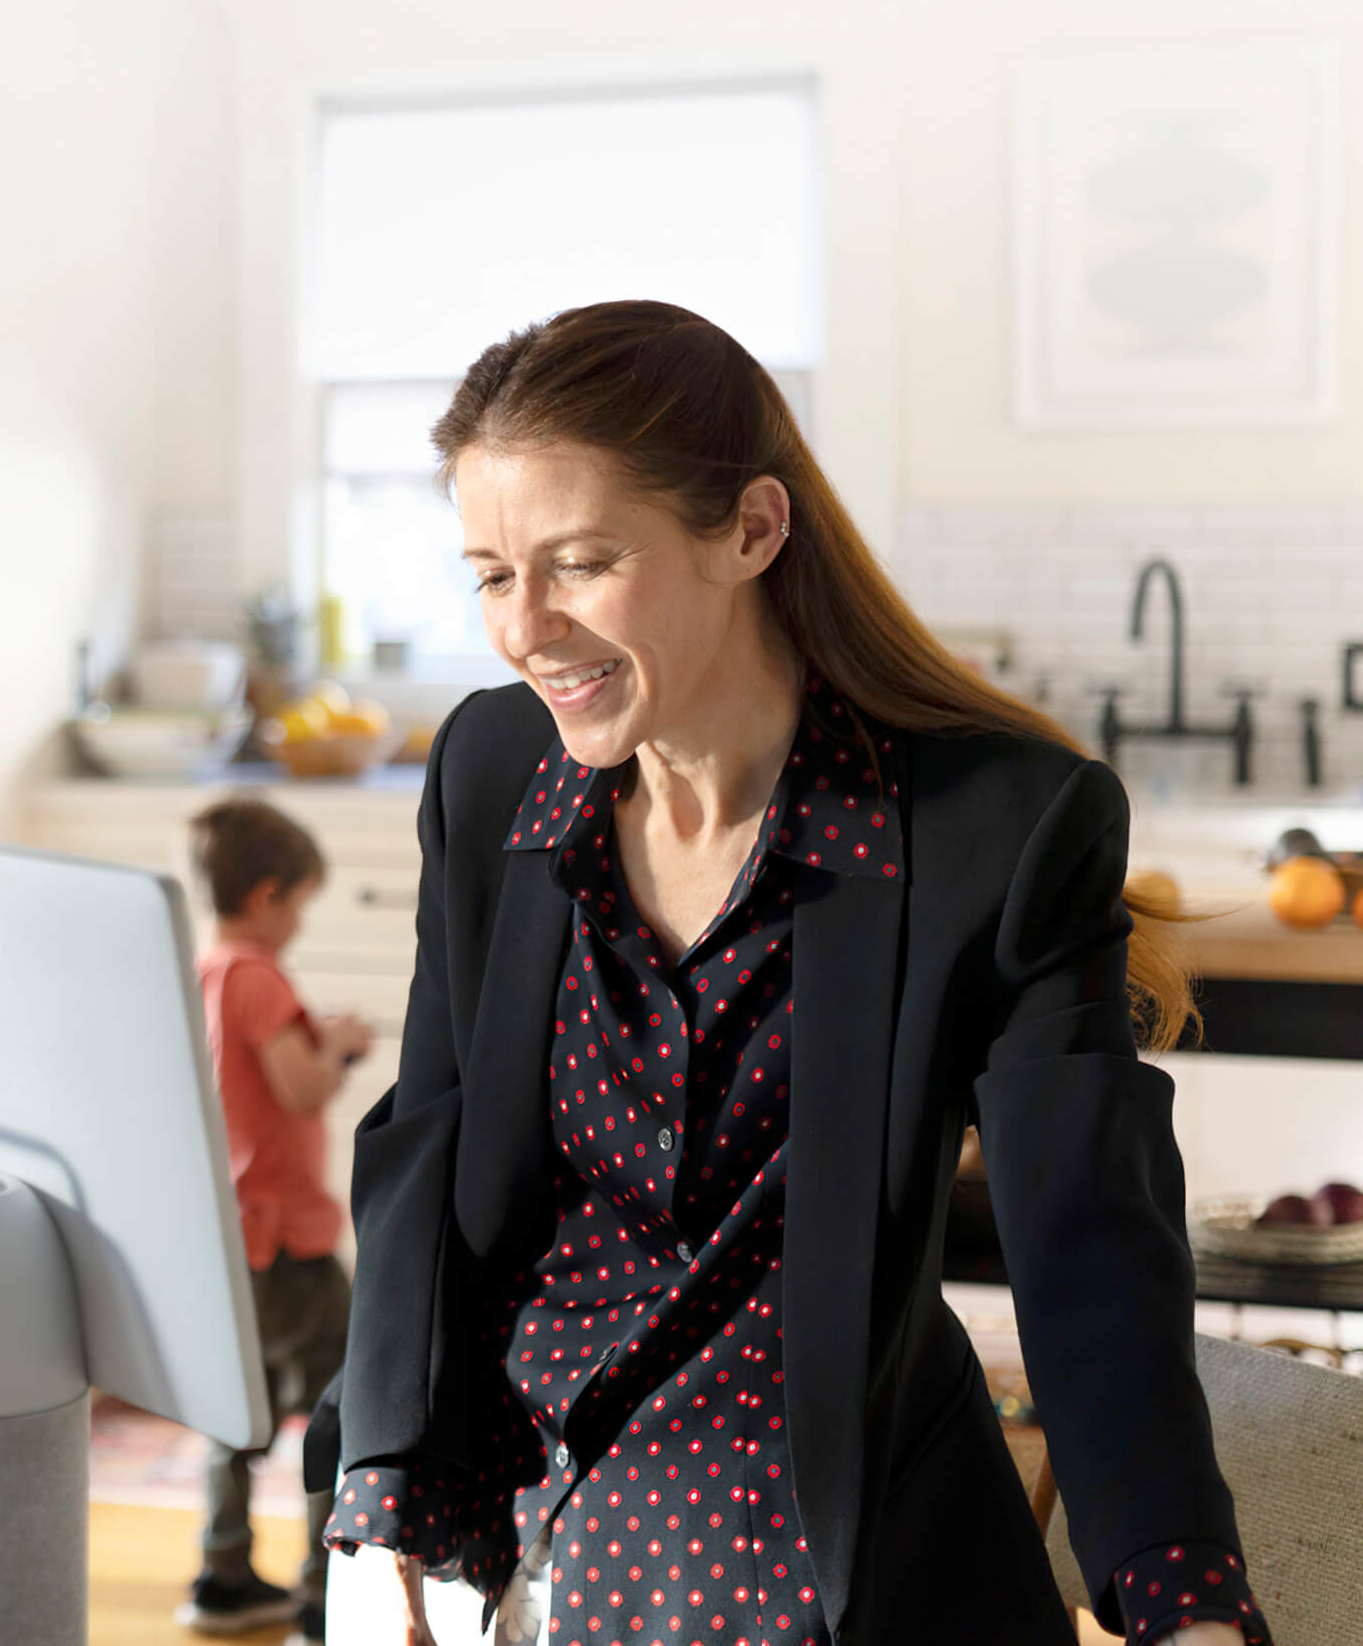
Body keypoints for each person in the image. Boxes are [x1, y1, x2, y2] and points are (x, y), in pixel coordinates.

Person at [305, 300, 1268, 1645]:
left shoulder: (996, 824)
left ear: (750, 530)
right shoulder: (490, 774)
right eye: (489, 573)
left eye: (579, 563)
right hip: (517, 1543)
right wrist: (377, 1503)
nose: (524, 630)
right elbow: (429, 1137)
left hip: (831, 1569)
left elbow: (1086, 1241)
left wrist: (1186, 1605)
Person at [179, 796, 376, 1645]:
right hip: (287, 1240)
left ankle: (222, 1573)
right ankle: (321, 1592)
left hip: (226, 1241)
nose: (297, 920)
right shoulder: (258, 975)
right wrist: (339, 1044)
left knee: (233, 1412)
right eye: (298, 902)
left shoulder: (205, 967)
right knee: (342, 1405)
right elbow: (300, 1087)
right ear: (265, 896)